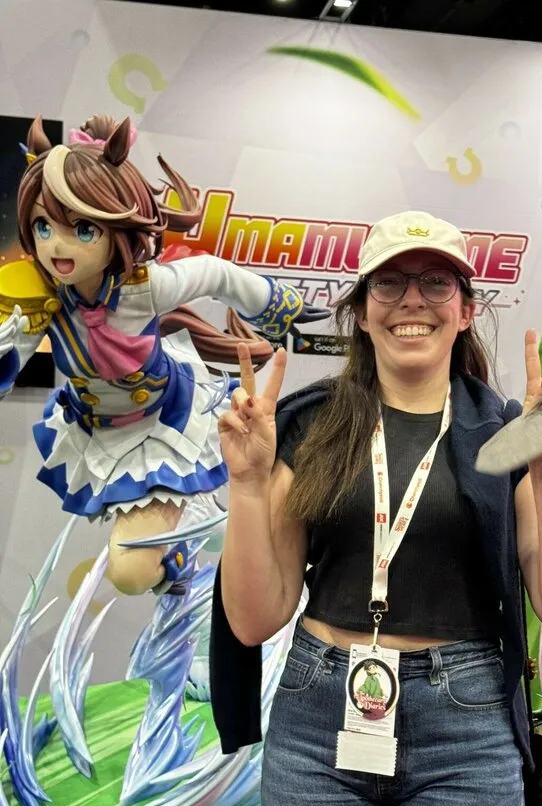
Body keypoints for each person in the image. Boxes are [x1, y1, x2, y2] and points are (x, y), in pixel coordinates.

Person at [209, 211, 542, 806]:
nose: (411, 301)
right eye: (388, 284)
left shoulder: (510, 434)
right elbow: (255, 618)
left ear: (466, 309)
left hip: (465, 737)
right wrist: (249, 485)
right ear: (361, 312)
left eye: (435, 282)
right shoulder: (310, 427)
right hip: (318, 725)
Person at [0, 114, 327, 596]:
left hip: (165, 423)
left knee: (130, 573)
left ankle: (190, 547)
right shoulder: (41, 298)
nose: (57, 247)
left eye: (83, 229)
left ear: (116, 227)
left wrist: (278, 307)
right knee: (145, 569)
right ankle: (186, 552)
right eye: (42, 226)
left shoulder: (145, 288)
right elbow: (12, 354)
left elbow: (215, 273)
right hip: (98, 431)